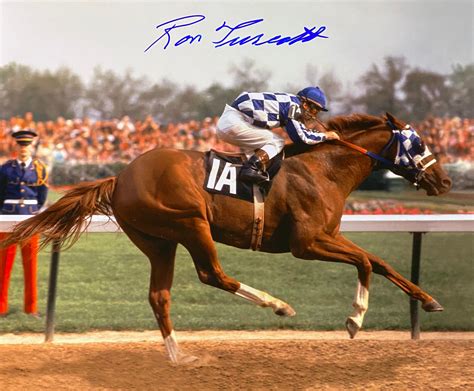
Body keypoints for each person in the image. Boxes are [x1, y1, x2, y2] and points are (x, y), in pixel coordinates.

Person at [216, 86, 340, 183]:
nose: (314, 115)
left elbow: (301, 132)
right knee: (277, 141)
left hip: (232, 121)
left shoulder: (289, 103)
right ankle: (250, 169)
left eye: (318, 112)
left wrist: (318, 134)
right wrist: (326, 136)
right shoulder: (293, 106)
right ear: (305, 104)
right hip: (234, 121)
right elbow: (302, 138)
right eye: (314, 109)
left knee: (266, 148)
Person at [0, 130, 48, 318]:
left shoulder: (39, 168)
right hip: (7, 219)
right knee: (3, 265)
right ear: (16, 147)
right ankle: (1, 307)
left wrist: (33, 213)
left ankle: (31, 308)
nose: (23, 149)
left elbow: (42, 196)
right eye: (20, 145)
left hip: (29, 220)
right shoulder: (6, 168)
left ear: (32, 147)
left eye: (27, 145)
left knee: (31, 265)